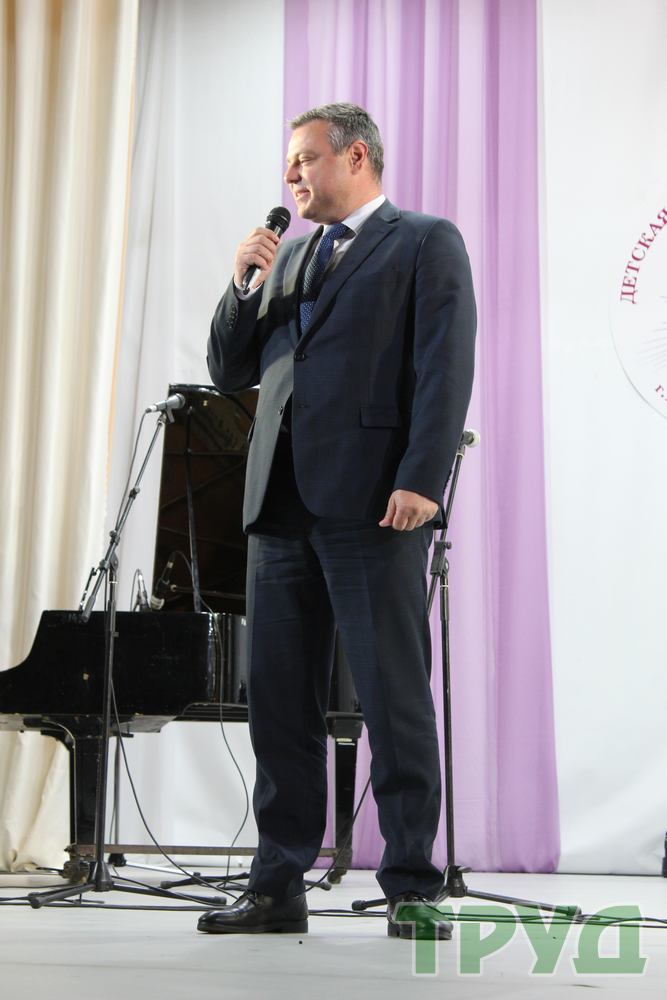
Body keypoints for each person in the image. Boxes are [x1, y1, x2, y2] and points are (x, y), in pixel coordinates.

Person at [198, 103, 476, 939]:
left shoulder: (423, 241)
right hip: (279, 506)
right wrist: (242, 284)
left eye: (305, 158)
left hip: (373, 504)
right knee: (279, 706)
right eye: (289, 162)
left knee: (393, 699)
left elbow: (444, 363)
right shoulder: (288, 257)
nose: (291, 175)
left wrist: (422, 478)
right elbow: (229, 371)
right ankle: (276, 885)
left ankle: (411, 885)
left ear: (355, 157)